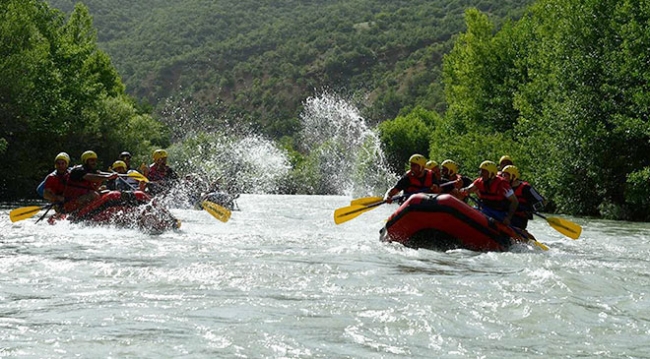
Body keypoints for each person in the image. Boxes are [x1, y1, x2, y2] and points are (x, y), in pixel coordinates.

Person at [459, 160, 518, 226]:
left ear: (491, 174)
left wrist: (508, 218)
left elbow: (514, 201)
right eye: (481, 171)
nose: (481, 174)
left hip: (500, 212)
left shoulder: (502, 184)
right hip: (485, 208)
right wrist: (464, 190)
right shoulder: (479, 181)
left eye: (484, 171)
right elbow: (469, 189)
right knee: (473, 212)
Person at [501, 165, 547, 230]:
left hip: (519, 219)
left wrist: (531, 209)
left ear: (513, 176)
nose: (503, 178)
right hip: (506, 215)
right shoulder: (504, 187)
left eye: (505, 175)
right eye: (502, 175)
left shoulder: (526, 188)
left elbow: (543, 201)